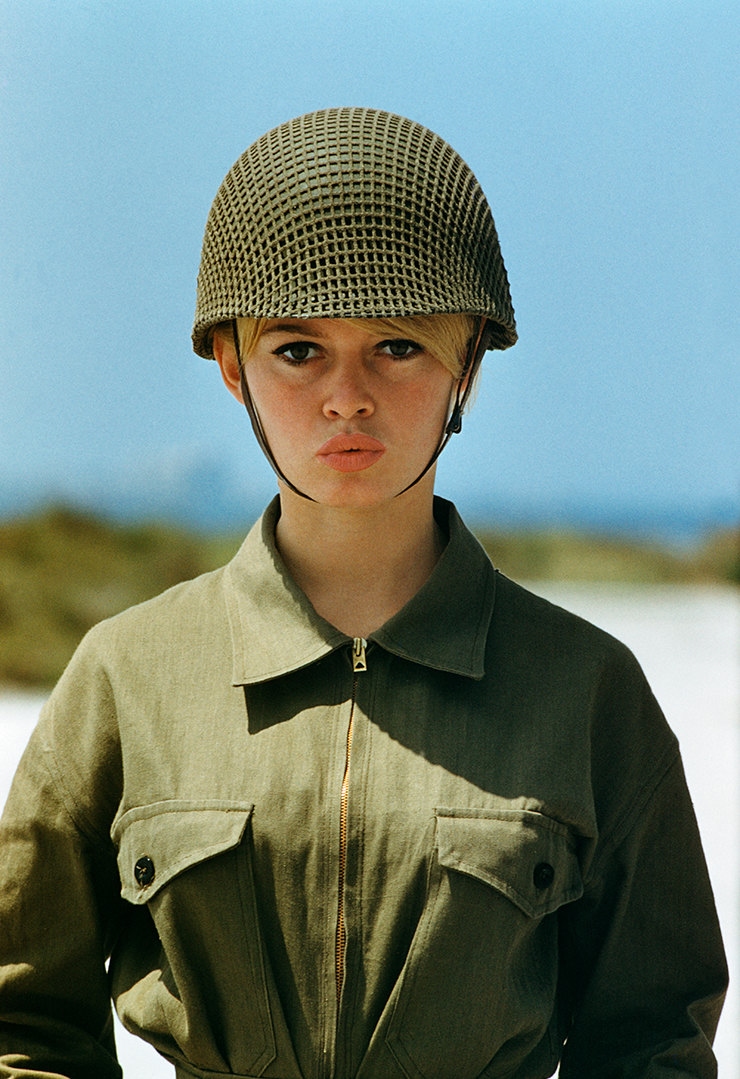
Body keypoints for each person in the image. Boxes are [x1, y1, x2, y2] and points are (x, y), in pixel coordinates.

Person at [0, 107, 727, 1078]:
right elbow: (21, 1023)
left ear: (468, 363)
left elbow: (653, 1043)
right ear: (232, 366)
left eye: (398, 346)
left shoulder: (584, 689)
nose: (347, 395)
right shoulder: (127, 676)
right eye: (297, 350)